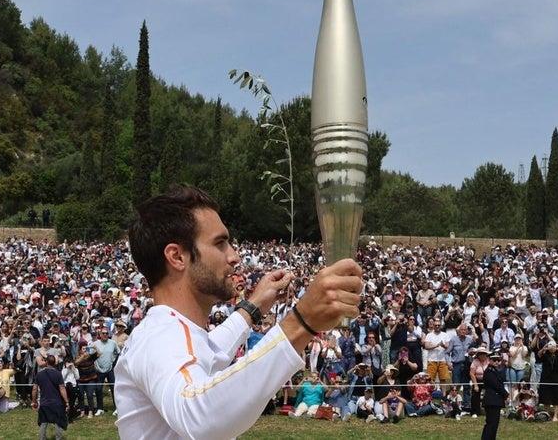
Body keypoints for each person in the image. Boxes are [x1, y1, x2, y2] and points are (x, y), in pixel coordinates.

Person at [113, 185, 363, 439]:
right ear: (177, 257)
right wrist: (302, 321)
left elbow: (213, 351)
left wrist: (253, 307)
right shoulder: (159, 337)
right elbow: (198, 415)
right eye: (220, 243)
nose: (234, 256)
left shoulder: (178, 333)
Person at [31, 355, 69, 440]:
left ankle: (42, 438)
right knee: (58, 422)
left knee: (43, 422)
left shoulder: (39, 374)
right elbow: (62, 388)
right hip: (57, 403)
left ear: (46, 362)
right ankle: (58, 438)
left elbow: (34, 389)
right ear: (55, 363)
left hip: (44, 403)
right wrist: (67, 402)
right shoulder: (58, 374)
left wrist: (34, 401)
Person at [92, 326, 120, 416]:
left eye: (106, 333)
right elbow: (90, 355)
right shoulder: (95, 343)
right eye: (103, 333)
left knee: (113, 389)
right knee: (98, 389)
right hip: (99, 369)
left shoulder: (113, 343)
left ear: (109, 334)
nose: (105, 335)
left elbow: (118, 353)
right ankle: (100, 408)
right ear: (100, 334)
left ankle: (117, 408)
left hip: (110, 369)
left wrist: (114, 364)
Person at [481, 351, 509, 440]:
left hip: (495, 401)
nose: (497, 362)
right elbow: (497, 385)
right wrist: (506, 395)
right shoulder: (489, 372)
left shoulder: (495, 371)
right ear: (489, 360)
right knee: (491, 424)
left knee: (494, 424)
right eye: (494, 360)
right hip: (491, 400)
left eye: (498, 360)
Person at [537, 340, 558, 421]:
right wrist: (543, 348)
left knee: (556, 397)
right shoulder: (545, 354)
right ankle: (547, 414)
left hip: (556, 377)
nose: (551, 349)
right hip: (546, 377)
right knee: (546, 396)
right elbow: (539, 355)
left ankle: (555, 415)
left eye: (553, 347)